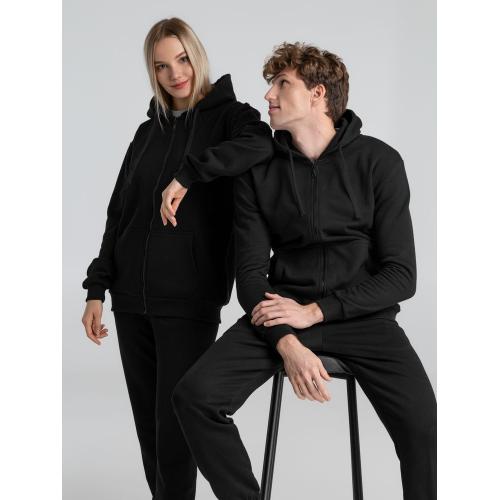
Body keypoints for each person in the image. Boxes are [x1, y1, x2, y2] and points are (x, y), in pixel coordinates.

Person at [171, 42, 437, 500]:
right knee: (194, 397)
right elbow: (249, 275)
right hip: (281, 313)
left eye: (282, 84)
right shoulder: (258, 171)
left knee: (425, 426)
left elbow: (401, 275)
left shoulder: (379, 162)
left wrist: (315, 312)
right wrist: (286, 341)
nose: (268, 95)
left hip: (362, 318)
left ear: (318, 94)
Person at [81, 17, 273, 500]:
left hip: (188, 299)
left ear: (197, 55)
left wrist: (190, 174)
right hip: (130, 299)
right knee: (150, 431)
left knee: (176, 430)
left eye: (182, 59)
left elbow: (260, 145)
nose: (175, 74)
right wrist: (97, 288)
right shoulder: (147, 133)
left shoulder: (232, 118)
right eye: (162, 66)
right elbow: (119, 213)